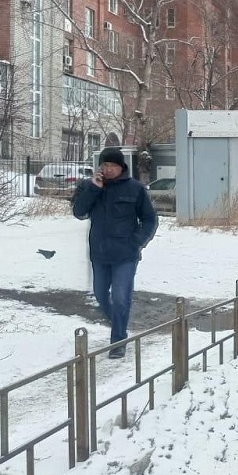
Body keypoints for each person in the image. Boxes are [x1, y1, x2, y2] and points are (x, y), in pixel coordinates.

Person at [72, 148, 158, 359]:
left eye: (113, 165)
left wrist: (137, 242)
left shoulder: (135, 189)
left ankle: (118, 341)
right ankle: (120, 324)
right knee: (101, 295)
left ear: (121, 167)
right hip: (100, 254)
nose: (108, 169)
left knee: (120, 298)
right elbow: (79, 212)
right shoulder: (89, 186)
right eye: (105, 165)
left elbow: (150, 219)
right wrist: (94, 189)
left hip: (125, 255)